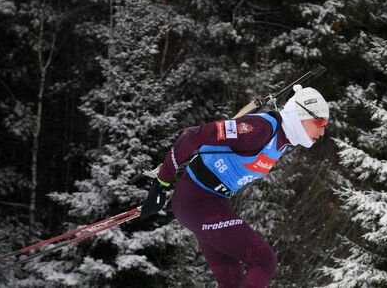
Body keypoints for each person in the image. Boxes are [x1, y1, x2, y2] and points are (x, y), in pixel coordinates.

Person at [140, 84, 329, 287]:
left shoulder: (282, 140)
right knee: (264, 261)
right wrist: (160, 184)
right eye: (320, 121)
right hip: (197, 202)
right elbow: (192, 135)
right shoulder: (259, 129)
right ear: (299, 115)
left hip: (213, 203)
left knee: (233, 281)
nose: (323, 129)